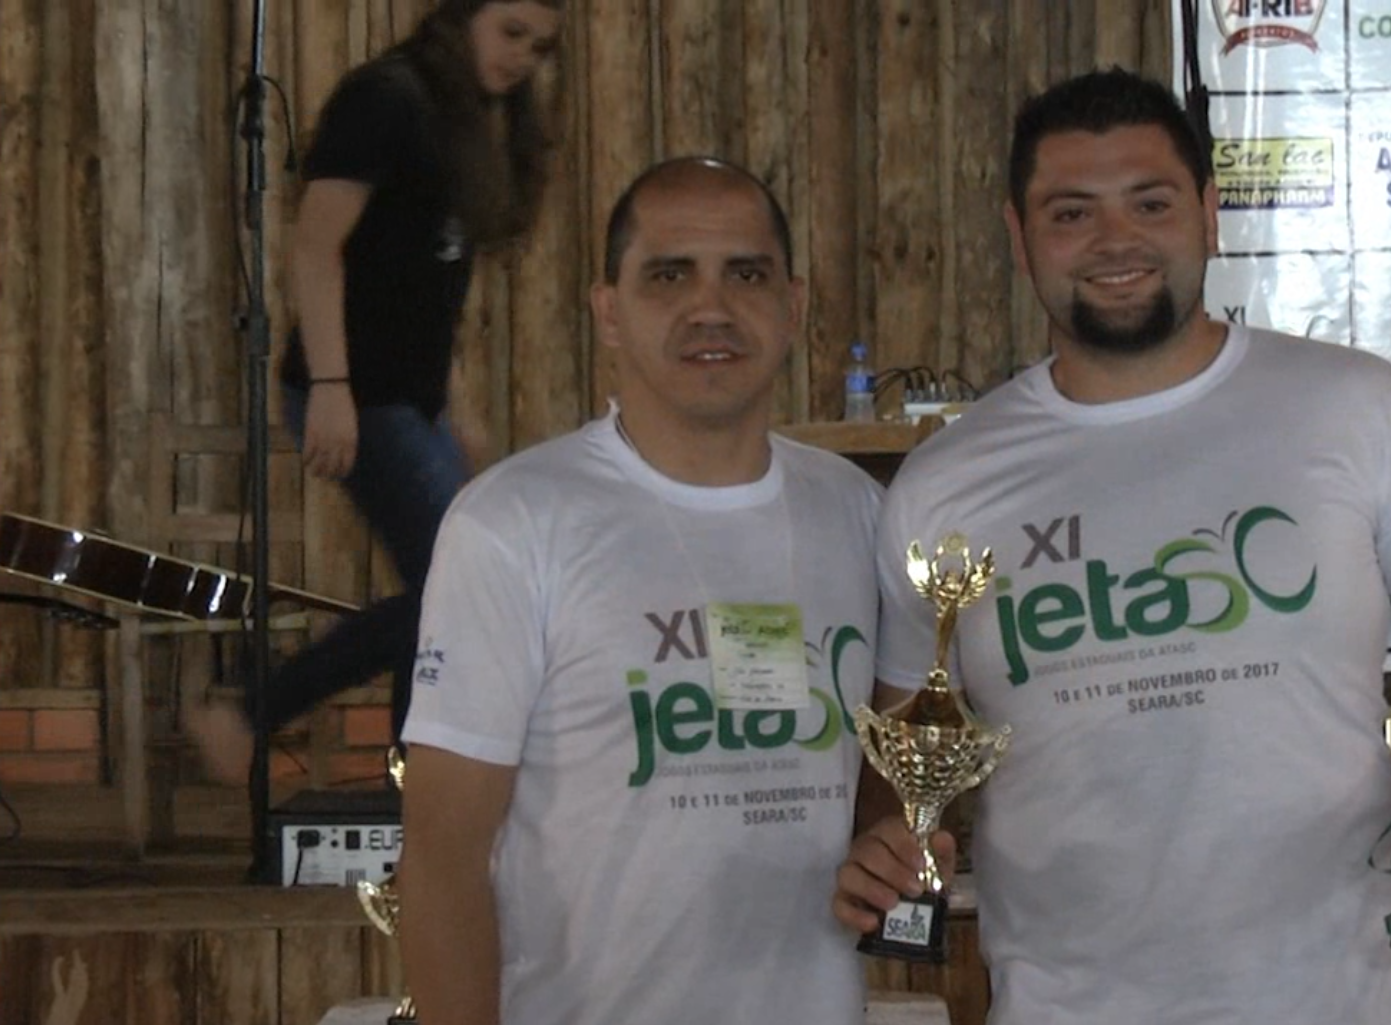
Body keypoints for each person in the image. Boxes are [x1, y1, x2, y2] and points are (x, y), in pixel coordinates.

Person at [832, 68, 1391, 1024]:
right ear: (1018, 237)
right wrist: (889, 845)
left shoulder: (1355, 408)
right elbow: (901, 770)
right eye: (1072, 213)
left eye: (1151, 203)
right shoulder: (944, 483)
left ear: (1210, 214)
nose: (1116, 240)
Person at [395, 158, 881, 1025]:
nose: (711, 307)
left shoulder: (857, 511)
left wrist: (890, 841)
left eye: (746, 274)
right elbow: (441, 861)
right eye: (669, 275)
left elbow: (888, 774)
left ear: (794, 305)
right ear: (608, 311)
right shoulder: (514, 523)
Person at [190, 0, 564, 778]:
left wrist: (455, 406)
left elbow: (426, 284)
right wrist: (333, 385)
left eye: (539, 46)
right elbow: (315, 248)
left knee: (448, 600)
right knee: (457, 593)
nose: (522, 57)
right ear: (461, 18)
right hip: (358, 391)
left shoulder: (462, 118)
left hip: (411, 399)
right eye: (511, 33)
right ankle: (253, 711)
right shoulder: (384, 99)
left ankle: (412, 776)